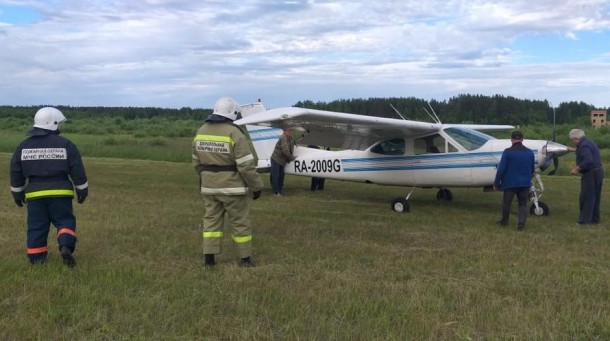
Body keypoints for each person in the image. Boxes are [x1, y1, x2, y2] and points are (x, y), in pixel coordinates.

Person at [9, 107, 89, 267]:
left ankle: (37, 258)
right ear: (53, 124)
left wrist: (17, 193)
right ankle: (66, 246)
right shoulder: (66, 144)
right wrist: (82, 188)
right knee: (65, 220)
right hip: (61, 194)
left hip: (35, 196)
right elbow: (77, 168)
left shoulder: (23, 146)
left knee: (36, 226)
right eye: (59, 123)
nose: (60, 126)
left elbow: (16, 171)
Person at [192, 97, 263, 268]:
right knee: (240, 223)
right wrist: (257, 186)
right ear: (233, 113)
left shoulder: (201, 131)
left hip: (209, 188)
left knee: (211, 222)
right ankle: (245, 259)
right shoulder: (235, 133)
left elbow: (196, 162)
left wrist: (207, 178)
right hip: (233, 188)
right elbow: (246, 165)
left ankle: (209, 259)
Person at [493, 130, 535, 232]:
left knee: (507, 203)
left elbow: (501, 169)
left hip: (510, 183)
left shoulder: (507, 152)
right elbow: (532, 169)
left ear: (511, 140)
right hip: (525, 183)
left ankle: (504, 222)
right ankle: (521, 226)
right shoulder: (530, 152)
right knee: (522, 204)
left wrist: (496, 183)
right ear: (522, 139)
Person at [568, 129, 603, 225]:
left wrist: (577, 169)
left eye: (572, 140)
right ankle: (595, 219)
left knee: (586, 197)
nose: (572, 142)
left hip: (590, 174)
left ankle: (584, 221)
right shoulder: (588, 142)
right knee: (595, 196)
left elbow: (588, 160)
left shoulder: (583, 146)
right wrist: (574, 150)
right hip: (598, 172)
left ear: (576, 138)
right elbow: (587, 153)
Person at [270, 128, 296, 195]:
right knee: (276, 176)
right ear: (285, 131)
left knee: (281, 176)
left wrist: (296, 143)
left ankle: (279, 191)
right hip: (276, 159)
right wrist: (291, 157)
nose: (291, 132)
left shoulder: (289, 137)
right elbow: (285, 150)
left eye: (291, 130)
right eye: (289, 131)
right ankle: (276, 192)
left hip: (281, 160)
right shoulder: (283, 138)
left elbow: (292, 141)